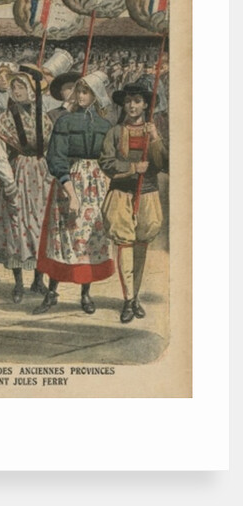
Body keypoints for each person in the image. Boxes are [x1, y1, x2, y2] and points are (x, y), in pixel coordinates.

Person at [33, 71, 115, 315]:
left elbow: (109, 159)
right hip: (70, 181)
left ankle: (85, 294)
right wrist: (71, 192)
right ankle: (51, 292)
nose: (80, 95)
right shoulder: (65, 121)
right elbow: (56, 157)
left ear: (96, 95)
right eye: (78, 90)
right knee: (63, 237)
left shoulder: (105, 126)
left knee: (90, 239)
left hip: (97, 185)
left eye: (86, 91)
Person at [99, 81, 168, 323]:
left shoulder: (153, 131)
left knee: (141, 247)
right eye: (128, 101)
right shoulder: (115, 132)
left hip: (147, 193)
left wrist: (155, 138)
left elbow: (164, 164)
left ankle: (136, 296)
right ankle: (128, 299)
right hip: (121, 194)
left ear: (145, 105)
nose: (132, 105)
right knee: (125, 245)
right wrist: (132, 168)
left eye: (137, 101)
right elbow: (106, 163)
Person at [0, 65, 53, 302]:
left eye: (21, 87)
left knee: (41, 227)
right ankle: (18, 284)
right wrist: (8, 182)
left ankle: (38, 280)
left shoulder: (43, 118)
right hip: (18, 175)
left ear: (32, 91)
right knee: (16, 227)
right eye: (14, 87)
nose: (17, 91)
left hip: (41, 177)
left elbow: (50, 149)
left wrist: (51, 174)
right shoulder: (6, 119)